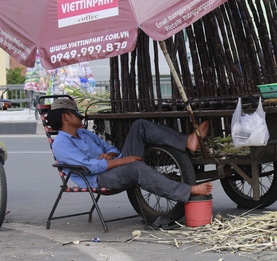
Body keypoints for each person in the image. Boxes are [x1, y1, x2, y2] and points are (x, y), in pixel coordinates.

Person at [46, 97, 212, 227]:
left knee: (140, 126)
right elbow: (89, 168)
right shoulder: (62, 143)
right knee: (136, 168)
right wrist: (124, 161)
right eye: (75, 114)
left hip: (115, 165)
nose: (79, 117)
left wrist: (110, 155)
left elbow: (112, 149)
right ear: (65, 117)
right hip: (100, 177)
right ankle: (188, 190)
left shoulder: (84, 134)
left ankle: (186, 142)